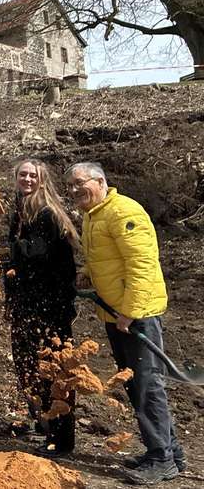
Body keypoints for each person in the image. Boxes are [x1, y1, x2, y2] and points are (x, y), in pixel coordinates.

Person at [68, 162, 184, 483]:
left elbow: (142, 264)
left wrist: (131, 310)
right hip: (116, 313)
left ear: (100, 181)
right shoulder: (94, 214)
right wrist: (87, 273)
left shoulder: (123, 212)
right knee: (135, 383)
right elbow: (106, 258)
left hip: (136, 316)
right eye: (71, 186)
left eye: (80, 183)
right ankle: (170, 452)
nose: (75, 190)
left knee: (147, 386)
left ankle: (162, 459)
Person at [5, 159, 78, 456]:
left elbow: (35, 255)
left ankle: (61, 438)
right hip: (25, 305)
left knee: (53, 372)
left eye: (33, 175)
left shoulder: (47, 214)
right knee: (28, 368)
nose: (27, 179)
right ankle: (46, 423)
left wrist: (6, 253)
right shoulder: (20, 211)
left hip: (48, 308)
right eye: (22, 174)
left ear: (42, 180)